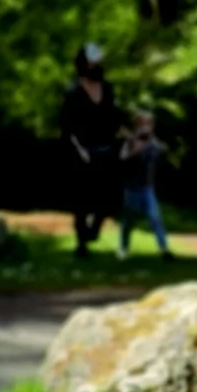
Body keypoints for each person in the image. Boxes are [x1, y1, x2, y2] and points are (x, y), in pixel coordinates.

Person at [59, 44, 125, 257]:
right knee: (81, 200)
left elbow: (114, 118)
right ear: (84, 64)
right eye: (93, 61)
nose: (98, 65)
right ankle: (81, 244)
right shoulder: (74, 92)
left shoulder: (107, 89)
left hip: (105, 149)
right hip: (81, 152)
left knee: (107, 198)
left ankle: (94, 229)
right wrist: (79, 149)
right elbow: (67, 126)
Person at [117, 110, 171, 260]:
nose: (146, 127)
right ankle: (123, 247)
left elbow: (161, 150)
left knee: (155, 217)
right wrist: (135, 148)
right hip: (131, 187)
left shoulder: (153, 142)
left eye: (149, 124)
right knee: (129, 220)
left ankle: (164, 249)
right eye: (143, 123)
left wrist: (149, 142)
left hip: (147, 187)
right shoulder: (130, 141)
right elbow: (123, 158)